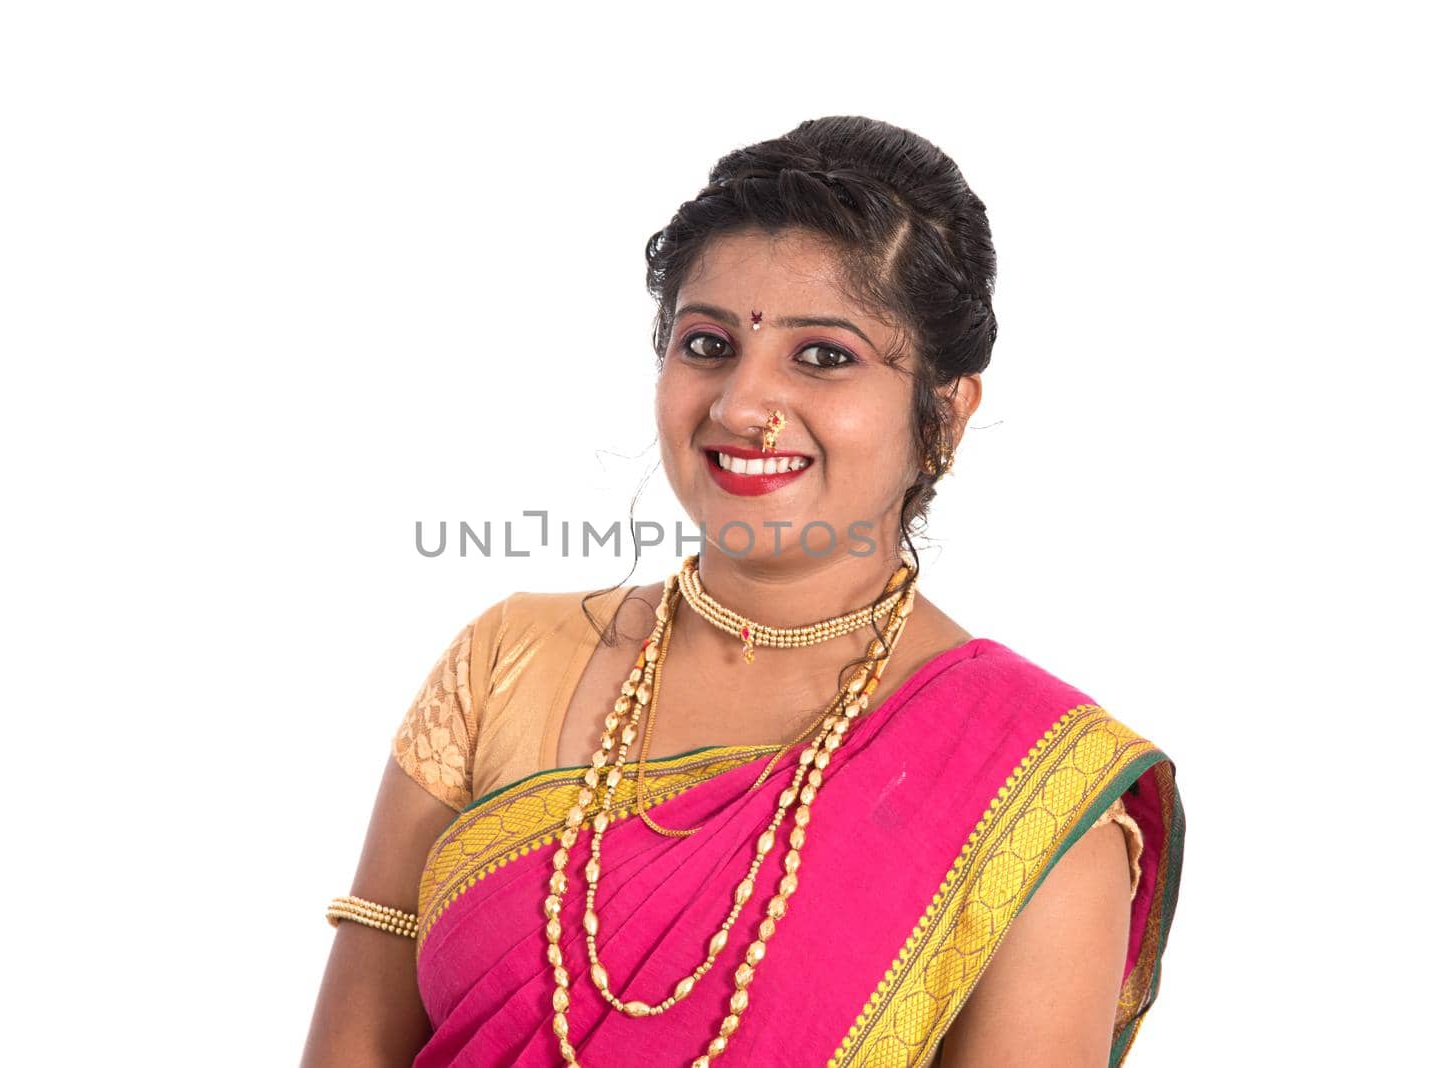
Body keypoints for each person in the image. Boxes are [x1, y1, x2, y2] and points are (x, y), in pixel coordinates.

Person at [300, 115, 1185, 1068]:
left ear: (945, 409)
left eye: (822, 356)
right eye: (708, 344)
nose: (740, 406)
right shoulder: (506, 662)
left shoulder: (1028, 787)